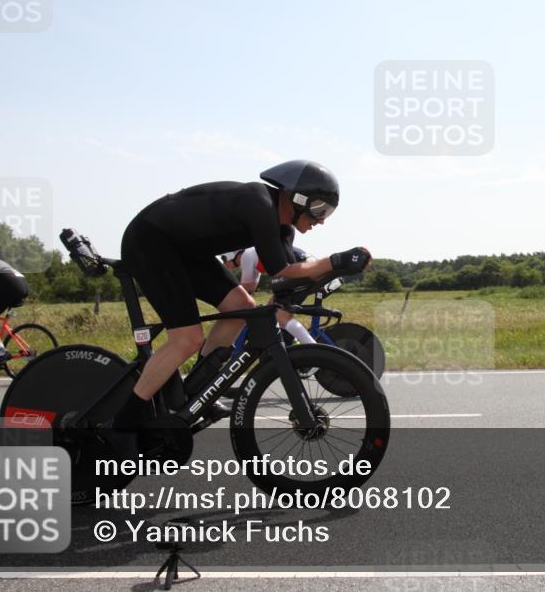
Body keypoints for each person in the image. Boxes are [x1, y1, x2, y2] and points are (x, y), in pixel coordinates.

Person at [116, 160, 371, 430]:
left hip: (184, 251)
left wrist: (340, 267)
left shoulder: (283, 227)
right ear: (298, 198)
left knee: (241, 307)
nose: (321, 220)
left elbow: (286, 277)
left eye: (327, 213)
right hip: (150, 241)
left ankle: (197, 393)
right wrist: (334, 261)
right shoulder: (258, 204)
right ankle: (123, 423)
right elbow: (281, 269)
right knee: (186, 338)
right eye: (320, 209)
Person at [222, 244, 316, 346]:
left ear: (229, 255)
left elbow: (246, 288)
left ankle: (315, 350)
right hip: (305, 266)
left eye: (223, 259)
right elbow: (251, 288)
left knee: (281, 317)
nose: (223, 263)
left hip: (300, 269)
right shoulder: (254, 252)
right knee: (270, 309)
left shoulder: (246, 255)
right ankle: (291, 342)